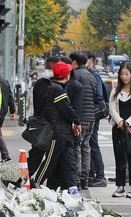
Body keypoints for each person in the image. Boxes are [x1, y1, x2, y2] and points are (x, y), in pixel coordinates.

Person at [33, 61, 82, 196]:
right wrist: (76, 121)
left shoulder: (55, 87)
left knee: (69, 162)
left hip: (63, 133)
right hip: (57, 133)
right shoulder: (57, 89)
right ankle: (36, 184)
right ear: (66, 76)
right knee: (49, 162)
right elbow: (67, 109)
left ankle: (73, 188)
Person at [109, 61, 131, 198]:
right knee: (119, 157)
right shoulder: (115, 91)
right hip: (117, 128)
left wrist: (127, 123)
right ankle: (120, 186)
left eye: (127, 74)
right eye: (122, 74)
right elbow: (112, 108)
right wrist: (119, 121)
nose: (124, 77)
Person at [70, 51, 98, 190]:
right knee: (86, 147)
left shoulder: (76, 75)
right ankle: (85, 179)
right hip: (91, 117)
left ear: (75, 62)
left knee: (77, 148)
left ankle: (77, 179)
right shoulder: (92, 76)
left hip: (80, 118)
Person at [29, 56, 60, 176]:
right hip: (42, 126)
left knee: (50, 158)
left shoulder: (56, 83)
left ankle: (42, 181)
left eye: (50, 68)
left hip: (48, 126)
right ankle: (24, 179)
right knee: (36, 156)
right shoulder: (41, 84)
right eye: (46, 67)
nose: (47, 70)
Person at [86, 51, 108, 188]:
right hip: (89, 113)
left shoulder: (95, 75)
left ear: (92, 61)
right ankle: (93, 173)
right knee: (89, 144)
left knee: (93, 143)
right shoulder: (89, 75)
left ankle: (100, 175)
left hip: (93, 114)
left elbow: (99, 96)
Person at [0, 62, 15, 162]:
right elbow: (10, 96)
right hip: (3, 111)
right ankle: (3, 155)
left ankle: (5, 155)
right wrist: (12, 110)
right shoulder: (5, 81)